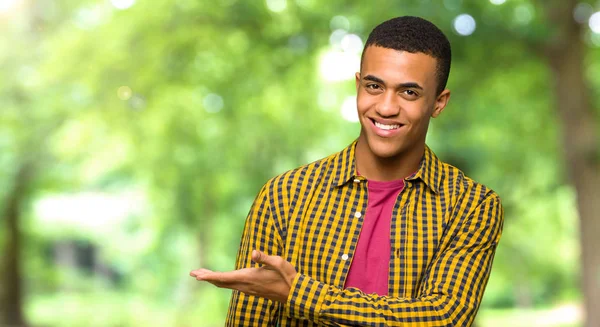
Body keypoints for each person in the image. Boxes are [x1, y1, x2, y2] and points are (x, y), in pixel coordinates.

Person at [190, 16, 504, 326]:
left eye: (409, 93)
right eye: (374, 86)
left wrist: (299, 294)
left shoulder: (472, 205)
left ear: (438, 102)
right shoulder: (283, 196)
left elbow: (442, 318)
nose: (385, 107)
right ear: (358, 85)